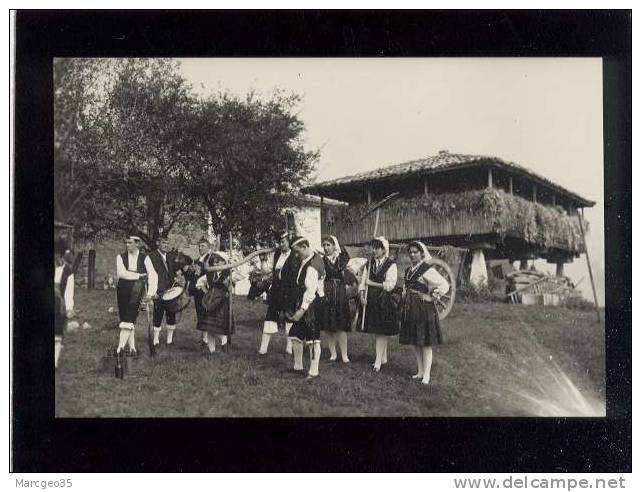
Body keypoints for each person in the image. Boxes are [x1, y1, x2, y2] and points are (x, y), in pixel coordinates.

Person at [399, 241, 449, 385]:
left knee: (425, 342)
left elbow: (444, 285)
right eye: (411, 252)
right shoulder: (409, 270)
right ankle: (420, 371)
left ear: (422, 253)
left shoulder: (427, 269)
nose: (413, 255)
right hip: (411, 308)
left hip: (424, 309)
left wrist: (432, 296)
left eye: (415, 252)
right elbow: (406, 286)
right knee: (416, 340)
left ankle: (426, 374)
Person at [287, 236, 325, 380]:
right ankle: (298, 366)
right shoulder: (305, 260)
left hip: (313, 303)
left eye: (297, 251)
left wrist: (301, 310)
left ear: (304, 246)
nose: (296, 255)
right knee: (295, 335)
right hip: (305, 301)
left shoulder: (313, 264)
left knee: (312, 338)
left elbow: (310, 291)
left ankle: (314, 372)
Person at [358, 236, 398, 372]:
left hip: (383, 301)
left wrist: (373, 283)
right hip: (371, 300)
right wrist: (362, 296)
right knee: (378, 331)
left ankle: (377, 361)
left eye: (377, 248)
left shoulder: (391, 265)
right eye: (373, 248)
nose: (374, 250)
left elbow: (390, 286)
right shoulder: (369, 264)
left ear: (384, 250)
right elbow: (363, 282)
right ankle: (383, 358)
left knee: (381, 331)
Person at [258, 231, 300, 355]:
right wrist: (263, 260)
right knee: (270, 317)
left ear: (289, 242)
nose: (281, 244)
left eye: (284, 241)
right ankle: (263, 348)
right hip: (276, 290)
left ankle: (289, 347)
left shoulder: (295, 255)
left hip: (290, 291)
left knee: (289, 318)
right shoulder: (276, 254)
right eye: (280, 242)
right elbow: (267, 270)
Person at [115, 235, 157, 356]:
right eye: (126, 243)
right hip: (122, 288)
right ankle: (132, 348)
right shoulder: (120, 257)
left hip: (137, 288)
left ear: (137, 244)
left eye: (130, 243)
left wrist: (150, 293)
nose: (127, 245)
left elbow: (153, 274)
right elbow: (121, 274)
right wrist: (139, 275)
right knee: (125, 318)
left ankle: (120, 349)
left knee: (130, 316)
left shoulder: (145, 258)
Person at [147, 236, 185, 349]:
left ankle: (169, 340)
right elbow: (149, 274)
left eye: (167, 243)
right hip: (158, 290)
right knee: (158, 314)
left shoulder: (170, 256)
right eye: (164, 243)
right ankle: (155, 340)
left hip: (171, 289)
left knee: (171, 313)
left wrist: (179, 276)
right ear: (158, 243)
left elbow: (177, 269)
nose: (166, 245)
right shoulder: (151, 257)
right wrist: (152, 291)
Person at [196, 252, 237, 355]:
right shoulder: (209, 273)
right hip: (210, 302)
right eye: (214, 262)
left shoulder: (229, 272)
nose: (216, 263)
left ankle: (224, 345)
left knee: (220, 328)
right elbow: (199, 282)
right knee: (209, 328)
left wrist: (233, 267)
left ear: (224, 262)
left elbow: (240, 277)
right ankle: (212, 352)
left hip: (222, 302)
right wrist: (207, 293)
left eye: (218, 261)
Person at [319, 235, 351, 363]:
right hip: (327, 291)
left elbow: (349, 274)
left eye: (328, 245)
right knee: (328, 325)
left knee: (341, 325)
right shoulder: (321, 261)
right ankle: (333, 353)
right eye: (324, 245)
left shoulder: (341, 259)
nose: (326, 248)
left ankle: (344, 354)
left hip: (340, 292)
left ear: (334, 245)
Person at [54, 238, 74, 369]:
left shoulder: (68, 271)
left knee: (57, 335)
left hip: (58, 305)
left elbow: (68, 292)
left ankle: (54, 362)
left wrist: (69, 308)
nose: (57, 259)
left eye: (59, 256)